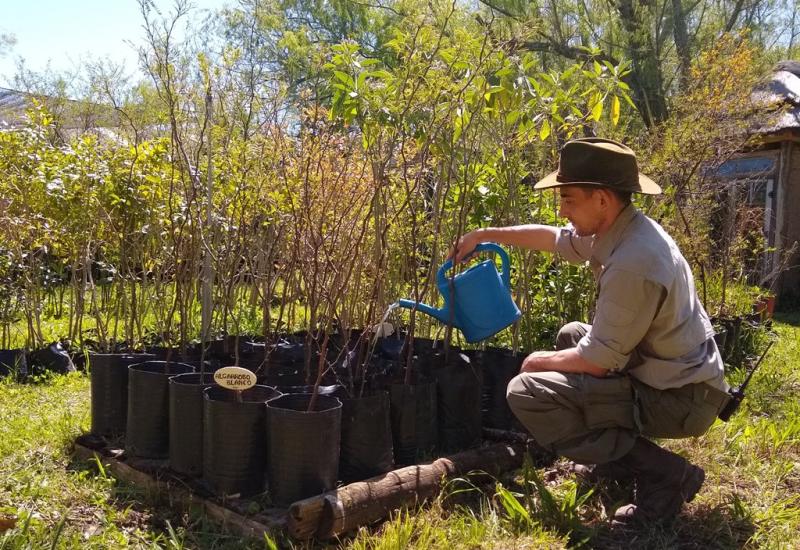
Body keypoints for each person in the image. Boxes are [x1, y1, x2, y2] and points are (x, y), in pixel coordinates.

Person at [451, 138, 730, 526]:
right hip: (673, 376)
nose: (561, 210)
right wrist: (485, 234)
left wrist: (535, 361)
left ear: (601, 199)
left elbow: (599, 362)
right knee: (570, 335)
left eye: (568, 199)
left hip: (681, 399)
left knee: (527, 392)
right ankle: (613, 463)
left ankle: (665, 475)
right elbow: (554, 238)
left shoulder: (635, 261)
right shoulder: (621, 229)